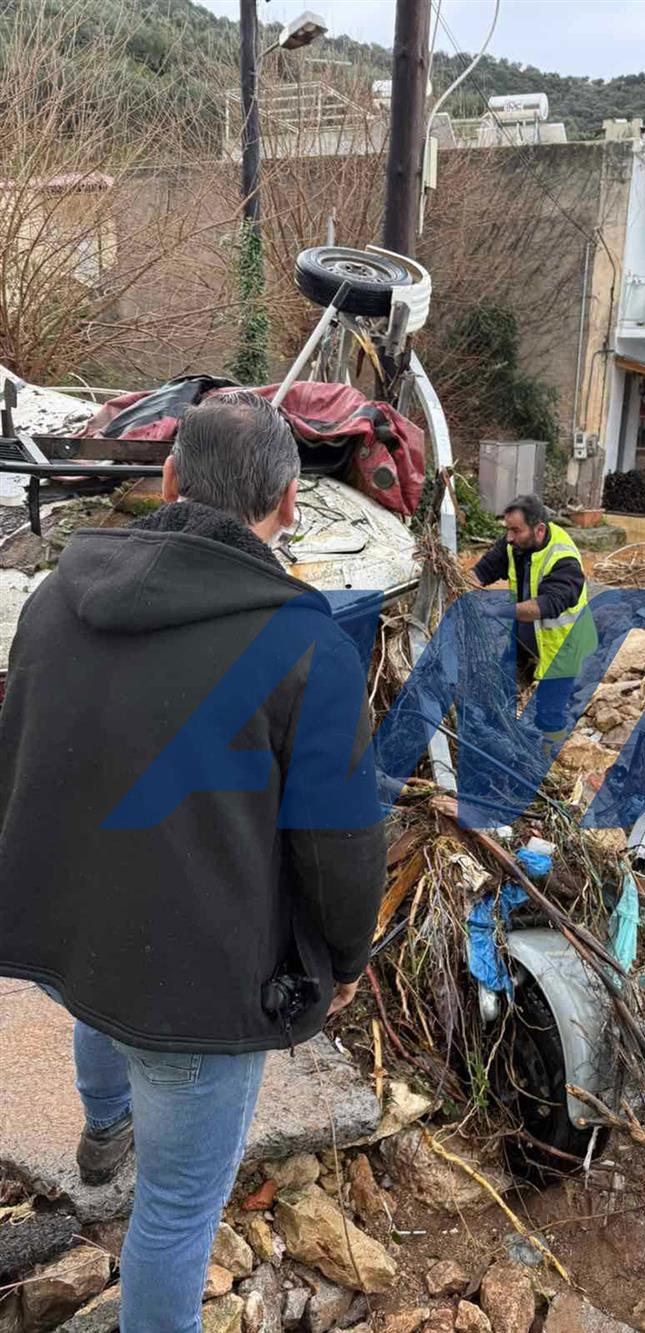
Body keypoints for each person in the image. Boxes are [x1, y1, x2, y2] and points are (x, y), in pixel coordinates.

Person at [0, 393, 386, 1333]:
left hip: (72, 922)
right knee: (173, 1213)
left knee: (99, 995)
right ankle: (112, 1144)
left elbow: (18, 745)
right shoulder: (306, 647)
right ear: (290, 504)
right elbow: (342, 844)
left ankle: (102, 1126)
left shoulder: (53, 599)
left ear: (168, 480)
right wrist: (344, 959)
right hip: (198, 982)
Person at [470, 494, 595, 752]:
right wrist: (460, 586)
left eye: (516, 530)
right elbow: (481, 572)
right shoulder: (513, 544)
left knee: (549, 714)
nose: (509, 537)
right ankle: (498, 744)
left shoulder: (564, 559)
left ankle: (548, 761)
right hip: (526, 637)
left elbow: (545, 607)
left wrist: (496, 611)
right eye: (507, 529)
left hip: (563, 645)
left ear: (539, 529)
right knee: (501, 686)